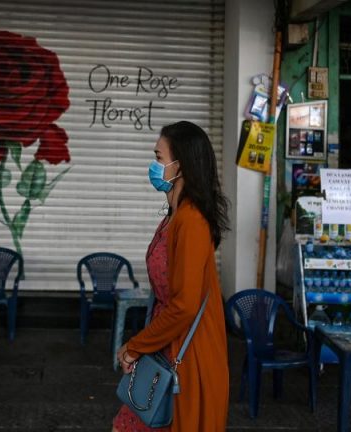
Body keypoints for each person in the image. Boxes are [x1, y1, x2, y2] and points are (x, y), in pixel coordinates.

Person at [112, 121, 230, 431]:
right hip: (164, 346)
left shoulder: (191, 221)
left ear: (182, 165)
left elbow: (184, 306)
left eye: (159, 158)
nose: (154, 166)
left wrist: (135, 346)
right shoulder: (174, 216)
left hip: (187, 357)